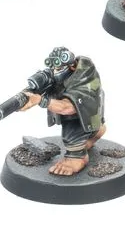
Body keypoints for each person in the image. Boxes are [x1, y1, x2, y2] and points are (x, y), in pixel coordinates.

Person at [18, 48, 105, 177]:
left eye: (58, 68)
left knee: (69, 131)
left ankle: (77, 157)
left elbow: (68, 107)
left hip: (85, 114)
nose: (54, 72)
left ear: (72, 66)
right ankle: (94, 132)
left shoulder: (84, 77)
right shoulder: (59, 76)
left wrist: (41, 100)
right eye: (53, 68)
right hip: (91, 118)